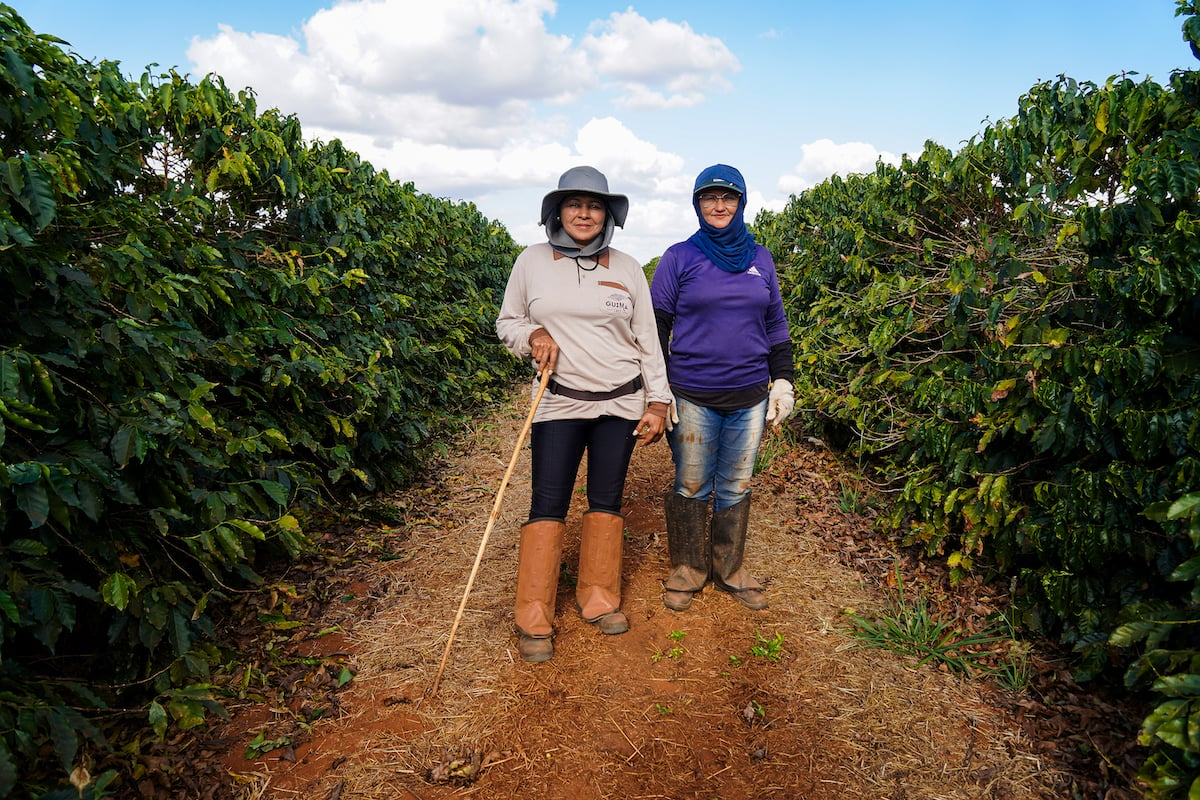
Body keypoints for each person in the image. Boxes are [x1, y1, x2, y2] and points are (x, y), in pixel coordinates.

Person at [496, 166, 672, 662]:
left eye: (595, 206)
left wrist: (658, 402)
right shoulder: (531, 262)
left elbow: (649, 342)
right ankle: (534, 616)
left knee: (605, 500)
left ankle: (598, 599)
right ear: (557, 211)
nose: (584, 214)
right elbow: (507, 321)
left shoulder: (629, 267)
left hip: (620, 401)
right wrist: (532, 336)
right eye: (574, 204)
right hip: (558, 402)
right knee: (547, 504)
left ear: (608, 215)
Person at [649, 163, 795, 613]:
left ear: (741, 203)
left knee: (735, 483)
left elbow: (775, 323)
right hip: (693, 391)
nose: (719, 205)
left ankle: (729, 569)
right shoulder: (679, 257)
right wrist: (658, 386)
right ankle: (689, 569)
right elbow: (657, 324)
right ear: (697, 205)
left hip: (749, 393)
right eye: (709, 198)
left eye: (728, 198)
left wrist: (783, 380)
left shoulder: (760, 258)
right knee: (692, 482)